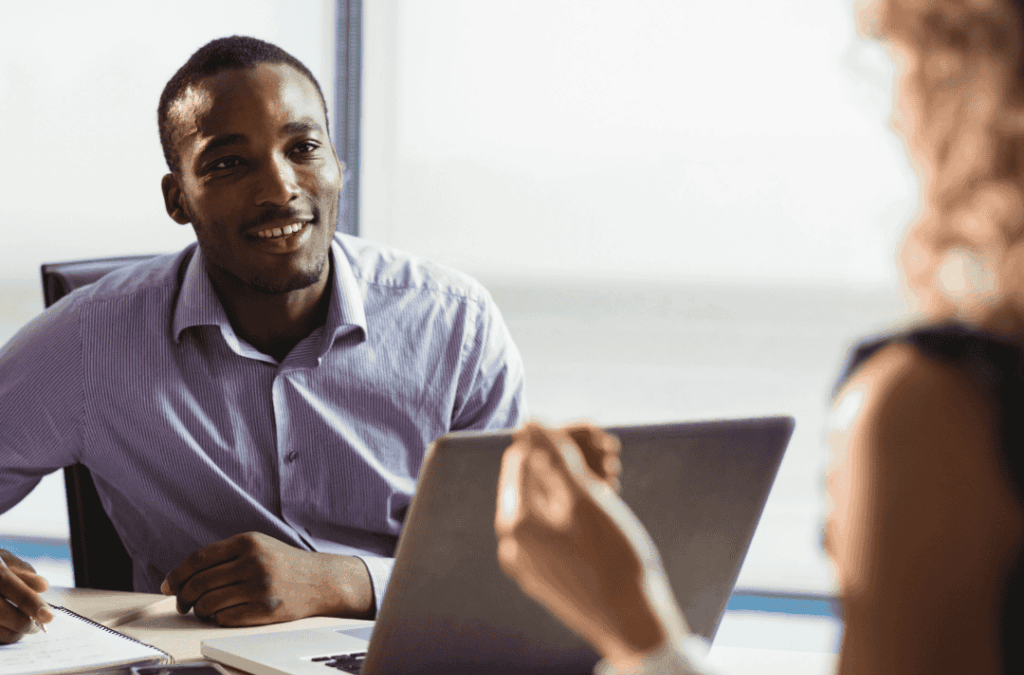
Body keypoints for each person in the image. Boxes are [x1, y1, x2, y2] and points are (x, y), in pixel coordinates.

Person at [495, 0, 1024, 673]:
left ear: (978, 77)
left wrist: (636, 630)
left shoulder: (932, 408)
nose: (894, 109)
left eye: (903, 58)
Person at [0, 35, 525, 644]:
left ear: (337, 164)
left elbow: (518, 559)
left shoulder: (456, 324)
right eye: (227, 163)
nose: (280, 188)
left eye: (303, 148)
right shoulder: (91, 341)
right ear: (178, 199)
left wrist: (345, 583)